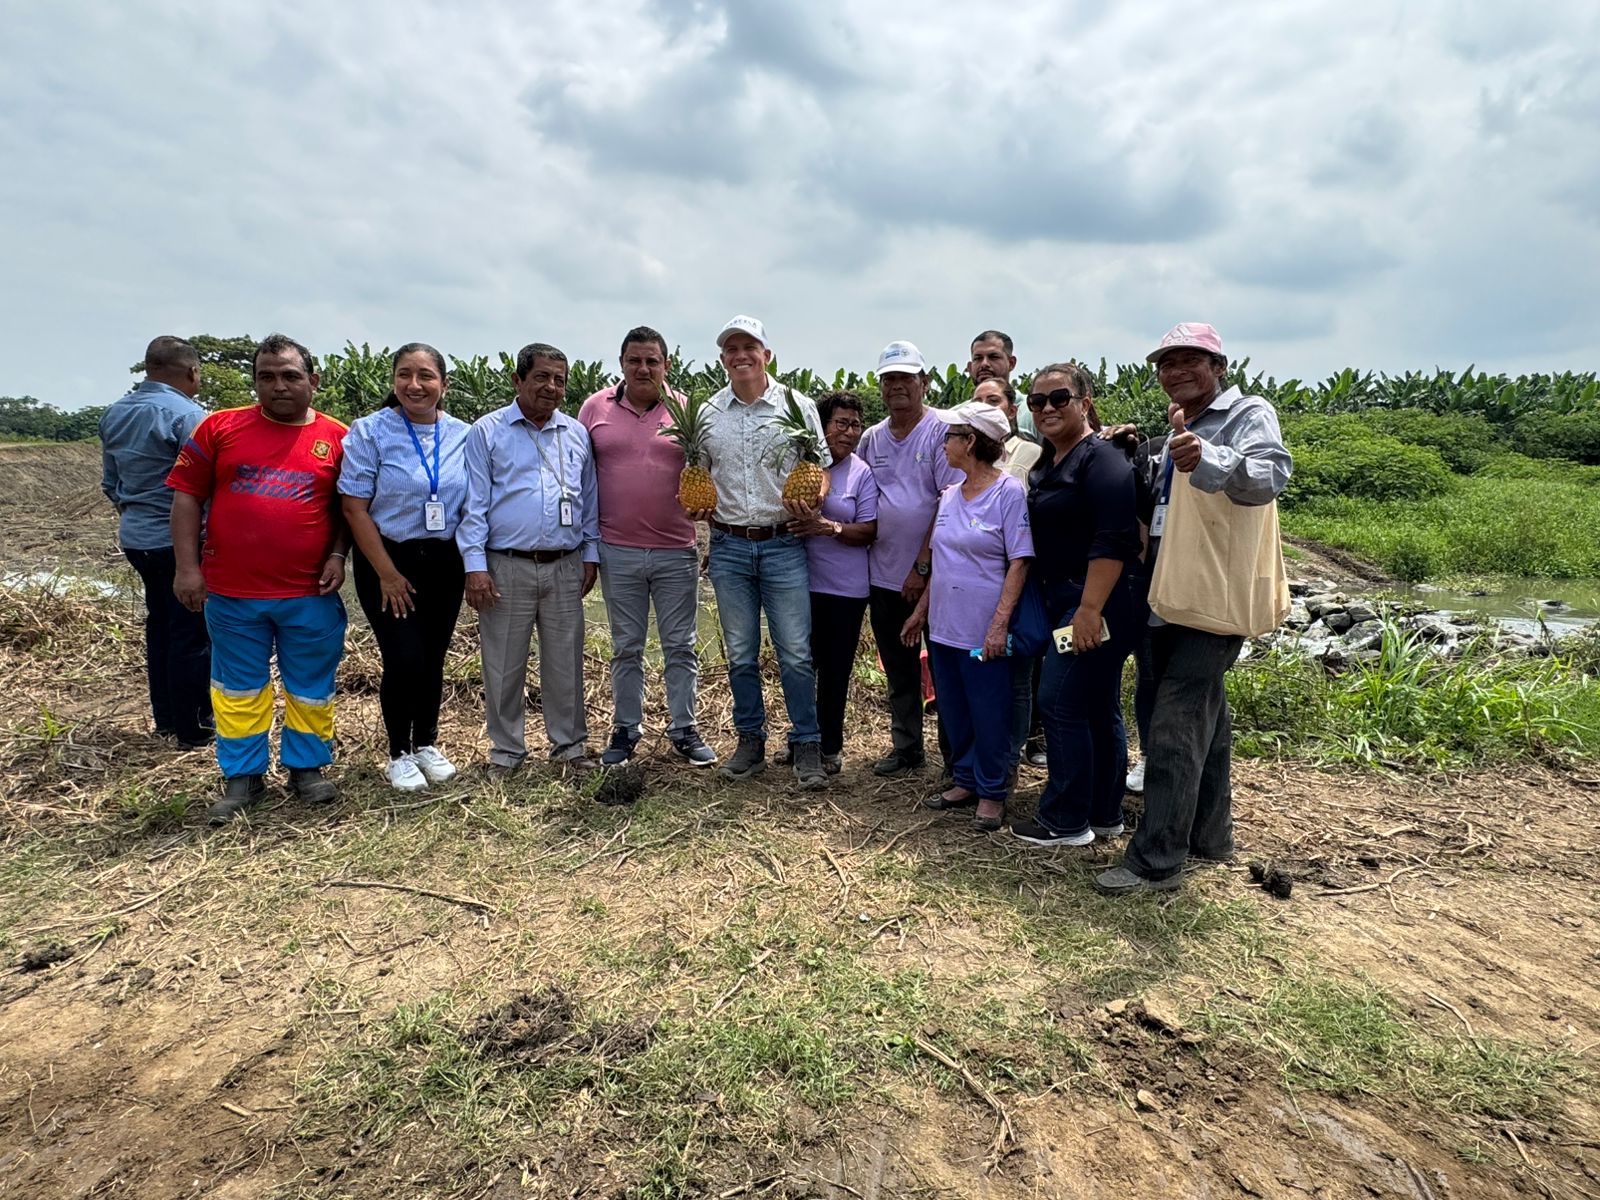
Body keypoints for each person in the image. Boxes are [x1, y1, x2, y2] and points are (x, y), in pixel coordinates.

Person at [1097, 323, 1292, 896]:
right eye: (1167, 363)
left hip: (1212, 597)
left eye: (1191, 360)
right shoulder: (1176, 428)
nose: (1176, 371)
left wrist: (1209, 456)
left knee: (1173, 724)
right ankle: (1211, 835)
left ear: (1219, 367)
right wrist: (1132, 456)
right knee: (1205, 716)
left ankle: (1157, 861)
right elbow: (1164, 507)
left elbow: (1270, 476)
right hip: (1168, 592)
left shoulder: (1248, 414)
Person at [167, 334, 349, 824]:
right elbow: (186, 498)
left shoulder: (339, 437)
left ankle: (306, 768)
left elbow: (348, 508)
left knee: (310, 685)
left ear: (313, 381)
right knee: (237, 688)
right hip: (232, 592)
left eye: (290, 376)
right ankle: (242, 777)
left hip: (309, 592)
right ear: (255, 382)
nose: (278, 386)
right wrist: (187, 568)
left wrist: (338, 555)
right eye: (266, 377)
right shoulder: (219, 428)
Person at [684, 315, 829, 789]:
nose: (741, 355)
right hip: (728, 545)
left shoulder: (798, 405)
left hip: (784, 542)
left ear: (767, 354)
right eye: (732, 348)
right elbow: (697, 473)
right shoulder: (708, 413)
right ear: (722, 358)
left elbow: (822, 466)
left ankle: (807, 742)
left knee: (796, 653)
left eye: (750, 347)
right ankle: (750, 741)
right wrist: (695, 500)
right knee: (741, 653)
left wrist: (817, 494)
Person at [1008, 362, 1143, 848]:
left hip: (1096, 599)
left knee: (1059, 701)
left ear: (1085, 403)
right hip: (1068, 596)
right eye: (1037, 400)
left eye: (1059, 398)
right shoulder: (1052, 460)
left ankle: (1065, 819)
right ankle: (1104, 812)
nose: (1047, 407)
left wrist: (1089, 610)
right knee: (1097, 703)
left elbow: (1114, 539)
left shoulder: (1101, 459)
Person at [458, 343, 600, 773]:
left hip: (565, 563)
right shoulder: (487, 431)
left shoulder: (576, 433)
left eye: (559, 380)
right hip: (505, 564)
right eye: (541, 377)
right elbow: (474, 505)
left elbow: (589, 500)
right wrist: (474, 567)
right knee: (503, 664)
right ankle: (507, 752)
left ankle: (570, 749)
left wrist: (590, 554)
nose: (551, 387)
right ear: (517, 380)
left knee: (566, 662)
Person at [579, 326, 715, 767]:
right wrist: (588, 548)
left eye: (652, 361)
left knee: (681, 645)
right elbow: (582, 478)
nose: (643, 368)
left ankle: (684, 728)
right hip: (617, 548)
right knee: (626, 646)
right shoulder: (594, 408)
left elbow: (708, 470)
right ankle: (625, 728)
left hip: (676, 548)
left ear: (666, 365)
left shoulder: (688, 410)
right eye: (634, 360)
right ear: (621, 363)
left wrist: (709, 519)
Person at [338, 343, 470, 791]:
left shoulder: (463, 434)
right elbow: (354, 508)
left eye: (426, 376)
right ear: (394, 381)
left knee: (433, 657)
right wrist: (387, 574)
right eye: (405, 375)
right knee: (404, 657)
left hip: (445, 560)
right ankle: (398, 752)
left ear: (444, 384)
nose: (415, 385)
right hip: (388, 559)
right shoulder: (369, 431)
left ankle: (426, 743)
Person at [900, 400, 1033, 832]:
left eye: (950, 436)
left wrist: (999, 624)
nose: (943, 443)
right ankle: (965, 779)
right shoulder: (949, 495)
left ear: (971, 441)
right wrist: (921, 612)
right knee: (954, 710)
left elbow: (1019, 562)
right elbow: (941, 561)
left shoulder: (1007, 492)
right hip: (944, 626)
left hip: (982, 629)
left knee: (989, 712)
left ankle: (992, 791)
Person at [100, 336, 212, 750]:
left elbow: (111, 483)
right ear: (192, 372)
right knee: (192, 633)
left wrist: (136, 515)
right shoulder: (189, 416)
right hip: (179, 544)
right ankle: (194, 729)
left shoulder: (114, 413)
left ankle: (165, 721)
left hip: (136, 539)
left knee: (161, 625)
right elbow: (200, 489)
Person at [858, 340, 963, 777]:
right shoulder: (871, 438)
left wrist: (923, 566)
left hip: (934, 577)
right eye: (889, 379)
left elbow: (948, 503)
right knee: (899, 669)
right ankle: (907, 748)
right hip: (882, 575)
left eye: (906, 377)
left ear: (925, 381)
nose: (897, 385)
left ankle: (955, 758)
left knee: (945, 668)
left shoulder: (942, 431)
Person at [787, 390, 878, 774]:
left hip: (845, 590)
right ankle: (801, 739)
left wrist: (830, 527)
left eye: (856, 425)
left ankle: (830, 746)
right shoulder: (801, 466)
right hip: (799, 583)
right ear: (820, 427)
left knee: (835, 670)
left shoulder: (861, 473)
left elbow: (870, 530)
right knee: (799, 665)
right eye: (841, 423)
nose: (850, 432)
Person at [973, 375, 1045, 775]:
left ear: (1012, 409)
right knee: (980, 670)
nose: (986, 409)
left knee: (1018, 674)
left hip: (1020, 576)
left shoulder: (1033, 453)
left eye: (994, 401)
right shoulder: (965, 458)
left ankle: (1013, 755)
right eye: (978, 403)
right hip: (975, 579)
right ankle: (979, 757)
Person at [967, 330, 1033, 435]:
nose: (984, 364)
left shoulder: (1033, 410)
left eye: (993, 357)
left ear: (1011, 363)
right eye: (978, 358)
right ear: (970, 367)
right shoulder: (956, 417)